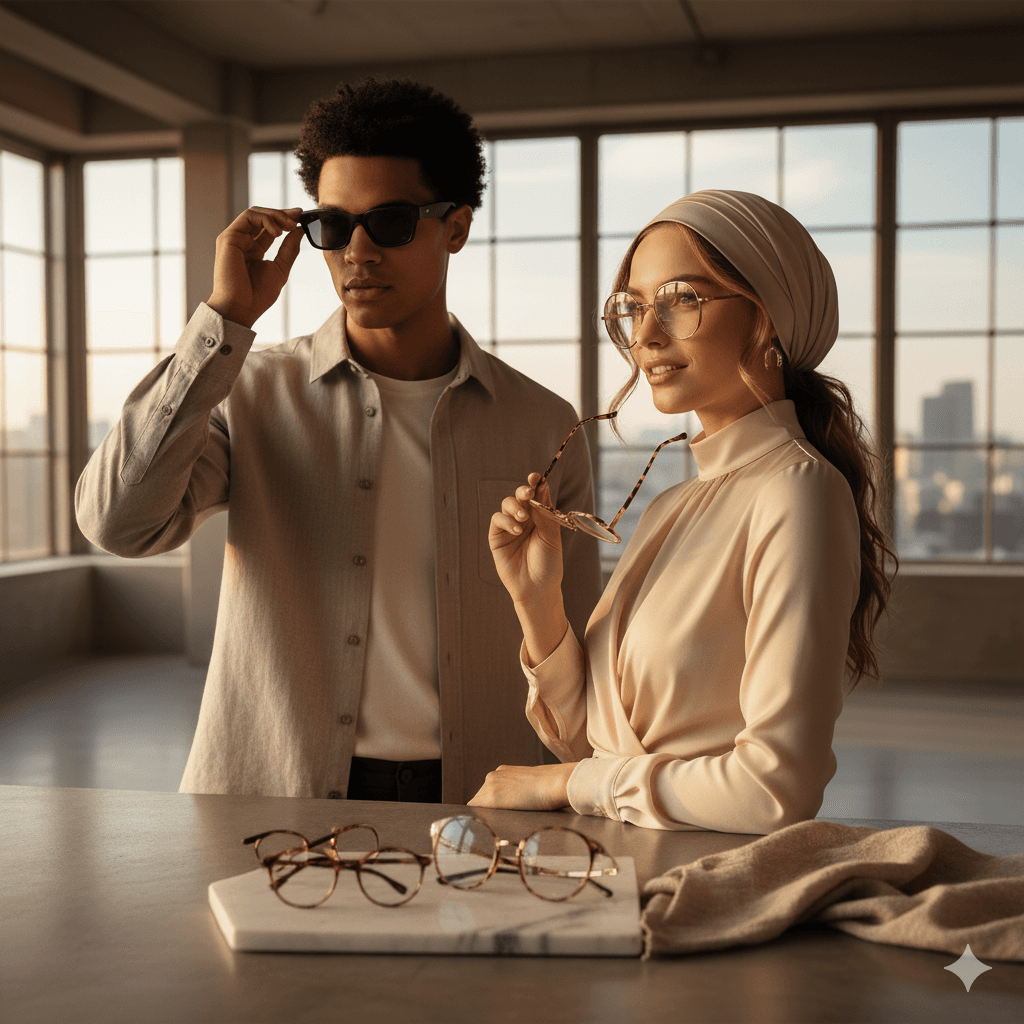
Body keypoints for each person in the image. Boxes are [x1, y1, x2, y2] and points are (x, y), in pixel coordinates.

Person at [75, 78, 601, 803]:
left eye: (389, 222)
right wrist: (223, 318)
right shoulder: (251, 391)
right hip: (274, 799)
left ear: (456, 227)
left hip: (485, 803)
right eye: (331, 225)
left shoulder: (542, 422)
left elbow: (575, 651)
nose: (356, 251)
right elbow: (119, 524)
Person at [472, 189, 895, 833]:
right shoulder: (670, 504)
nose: (644, 336)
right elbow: (595, 746)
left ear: (767, 318)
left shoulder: (797, 490)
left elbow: (775, 791)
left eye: (682, 300)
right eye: (634, 308)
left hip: (704, 891)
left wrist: (566, 785)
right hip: (618, 879)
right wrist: (538, 602)